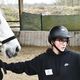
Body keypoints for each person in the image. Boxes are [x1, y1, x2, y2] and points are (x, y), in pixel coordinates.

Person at [0, 25, 80, 80]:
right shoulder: (42, 60)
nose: (64, 43)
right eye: (60, 40)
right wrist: (4, 65)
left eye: (66, 40)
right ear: (52, 42)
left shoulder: (76, 58)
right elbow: (23, 66)